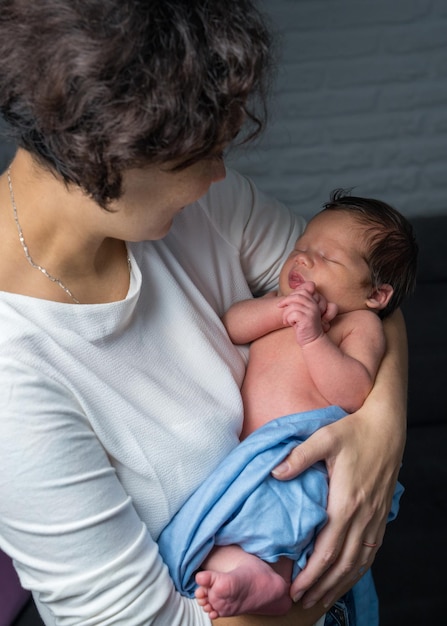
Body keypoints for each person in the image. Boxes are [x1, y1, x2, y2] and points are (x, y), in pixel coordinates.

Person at [0, 1, 409, 625]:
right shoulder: (15, 370)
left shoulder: (202, 209)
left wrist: (379, 435)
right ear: (111, 149)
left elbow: (368, 301)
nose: (221, 174)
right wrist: (326, 568)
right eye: (202, 155)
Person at [157, 192, 417, 621]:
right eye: (300, 249)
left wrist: (314, 338)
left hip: (305, 457)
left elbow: (352, 392)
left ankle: (273, 584)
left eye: (327, 259)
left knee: (281, 520)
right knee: (218, 538)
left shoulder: (359, 324)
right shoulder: (279, 308)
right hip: (249, 462)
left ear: (375, 294)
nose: (304, 260)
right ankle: (242, 579)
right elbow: (233, 325)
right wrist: (280, 312)